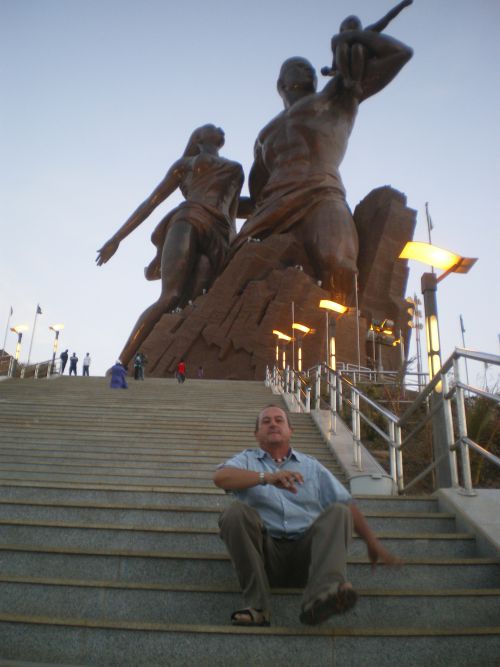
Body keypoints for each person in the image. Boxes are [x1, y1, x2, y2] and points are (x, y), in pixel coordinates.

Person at [231, 31, 412, 305]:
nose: (306, 69)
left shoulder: (337, 98)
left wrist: (353, 35)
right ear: (280, 83)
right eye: (297, 66)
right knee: (230, 272)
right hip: (272, 207)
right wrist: (214, 209)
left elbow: (399, 54)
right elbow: (256, 200)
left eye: (310, 68)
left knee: (339, 265)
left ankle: (341, 341)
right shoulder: (264, 136)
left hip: (321, 193)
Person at [213, 405, 400, 627]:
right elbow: (221, 477)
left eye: (279, 420)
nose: (273, 424)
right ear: (256, 434)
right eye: (266, 421)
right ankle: (258, 607)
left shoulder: (311, 466)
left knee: (339, 510)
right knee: (234, 512)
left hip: (308, 557)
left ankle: (321, 597)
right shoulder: (246, 460)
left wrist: (371, 541)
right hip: (265, 556)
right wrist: (267, 477)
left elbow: (346, 503)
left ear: (290, 430)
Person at [96, 124, 244, 367]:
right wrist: (117, 238)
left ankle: (177, 359)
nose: (220, 128)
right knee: (170, 296)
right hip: (188, 219)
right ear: (198, 138)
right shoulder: (184, 165)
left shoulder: (236, 169)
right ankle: (122, 363)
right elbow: (151, 202)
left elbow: (233, 211)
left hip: (219, 233)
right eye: (211, 127)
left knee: (198, 296)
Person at [321, 0, 413, 97]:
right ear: (342, 29)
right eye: (349, 23)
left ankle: (356, 82)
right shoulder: (338, 41)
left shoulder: (366, 33)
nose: (352, 22)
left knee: (357, 47)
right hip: (346, 71)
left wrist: (402, 5)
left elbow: (387, 18)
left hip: (362, 61)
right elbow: (335, 64)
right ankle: (347, 79)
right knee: (342, 46)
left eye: (355, 23)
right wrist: (328, 70)